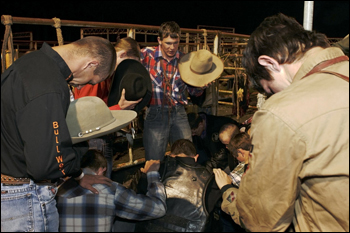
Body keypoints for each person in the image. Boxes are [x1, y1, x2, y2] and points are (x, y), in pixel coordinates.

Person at [221, 13, 349, 232]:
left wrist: (227, 193)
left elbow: (262, 221)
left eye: (270, 89)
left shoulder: (282, 111)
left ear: (269, 62)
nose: (273, 96)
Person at [1, 36, 117, 232]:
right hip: (25, 200)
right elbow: (44, 166)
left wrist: (79, 176)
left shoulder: (29, 62)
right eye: (91, 80)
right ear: (91, 64)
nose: (80, 87)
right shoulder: (50, 86)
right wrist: (75, 162)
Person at [73, 37, 144, 178]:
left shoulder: (105, 71)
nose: (127, 69)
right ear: (122, 54)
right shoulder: (99, 72)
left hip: (98, 134)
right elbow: (86, 115)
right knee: (100, 182)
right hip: (95, 136)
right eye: (129, 63)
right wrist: (120, 108)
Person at [140, 21, 212, 161]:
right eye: (168, 43)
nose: (172, 47)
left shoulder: (185, 60)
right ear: (159, 40)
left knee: (187, 155)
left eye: (175, 42)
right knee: (154, 159)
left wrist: (201, 86)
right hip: (156, 111)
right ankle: (153, 182)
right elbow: (129, 67)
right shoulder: (147, 55)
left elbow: (193, 92)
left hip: (179, 111)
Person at [56, 149, 166, 232]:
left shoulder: (58, 189)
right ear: (101, 170)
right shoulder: (109, 189)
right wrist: (152, 174)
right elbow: (158, 209)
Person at [134, 139, 223, 232]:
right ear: (196, 157)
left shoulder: (154, 169)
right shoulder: (210, 179)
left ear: (170, 155)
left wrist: (145, 175)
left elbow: (137, 201)